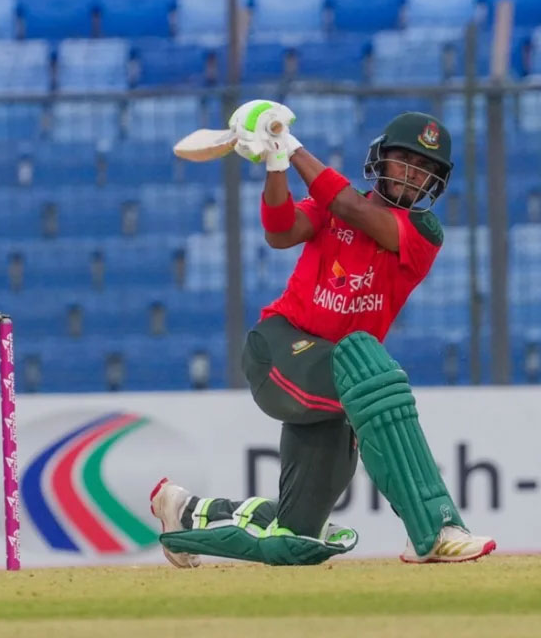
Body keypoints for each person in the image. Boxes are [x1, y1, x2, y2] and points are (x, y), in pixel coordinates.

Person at [151, 100, 496, 566]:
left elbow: (351, 207)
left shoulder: (423, 232)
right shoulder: (330, 209)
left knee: (297, 535)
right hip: (279, 350)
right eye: (405, 159)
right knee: (365, 359)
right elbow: (279, 231)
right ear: (381, 159)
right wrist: (276, 164)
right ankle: (436, 530)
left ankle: (185, 512)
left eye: (426, 168)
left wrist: (289, 145)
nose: (414, 173)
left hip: (336, 380)